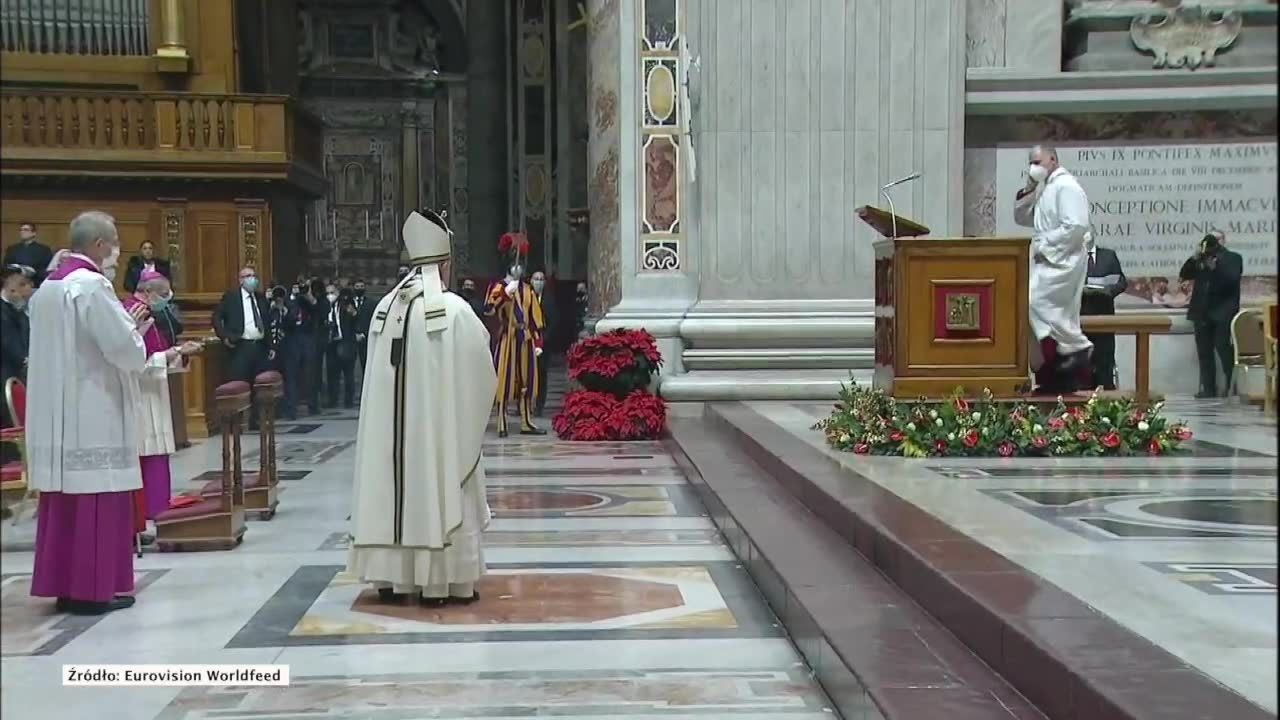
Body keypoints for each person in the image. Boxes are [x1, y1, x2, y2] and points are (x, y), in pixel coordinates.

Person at [347, 210, 497, 606]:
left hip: (391, 437)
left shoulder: (383, 309)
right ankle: (443, 583)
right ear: (445, 264)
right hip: (435, 437)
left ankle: (391, 579)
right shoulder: (455, 311)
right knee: (443, 478)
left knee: (390, 482)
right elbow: (482, 375)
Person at [26, 211, 158, 615]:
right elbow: (124, 350)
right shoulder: (91, 286)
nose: (118, 253)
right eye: (115, 242)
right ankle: (92, 590)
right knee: (96, 498)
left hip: (56, 413)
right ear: (99, 245)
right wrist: (135, 329)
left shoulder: (48, 288)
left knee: (66, 500)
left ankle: (66, 586)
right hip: (92, 408)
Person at [123, 270, 202, 525]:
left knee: (156, 452)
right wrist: (176, 351)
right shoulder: (130, 314)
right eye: (164, 295)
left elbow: (159, 354)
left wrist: (181, 353)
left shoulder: (148, 314)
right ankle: (148, 511)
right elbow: (135, 363)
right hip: (139, 395)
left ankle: (158, 507)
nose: (166, 300)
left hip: (154, 392)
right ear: (149, 292)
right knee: (146, 452)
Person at [1013, 145, 1092, 393]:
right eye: (1030, 163)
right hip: (1046, 260)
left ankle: (1076, 350)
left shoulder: (1067, 186)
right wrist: (1028, 188)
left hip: (1061, 260)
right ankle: (1051, 367)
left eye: (1038, 161)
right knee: (1030, 309)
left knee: (1034, 302)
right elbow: (1023, 218)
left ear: (1053, 159)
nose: (1033, 167)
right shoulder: (1046, 188)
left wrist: (1046, 245)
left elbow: (1077, 226)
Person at [485, 235, 546, 437]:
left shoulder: (528, 289)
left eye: (521, 264)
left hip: (525, 338)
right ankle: (501, 419)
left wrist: (537, 340)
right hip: (508, 338)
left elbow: (535, 317)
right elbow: (489, 309)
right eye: (515, 264)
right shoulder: (499, 286)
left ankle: (526, 420)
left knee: (527, 379)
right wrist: (504, 295)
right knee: (505, 379)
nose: (518, 268)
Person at [1180, 232, 1243, 398]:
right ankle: (1208, 389)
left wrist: (1216, 266)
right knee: (1204, 352)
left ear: (1223, 241)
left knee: (1223, 349)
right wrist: (1195, 256)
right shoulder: (1200, 258)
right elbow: (1185, 273)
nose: (1211, 244)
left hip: (1223, 311)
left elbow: (1231, 278)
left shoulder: (1234, 258)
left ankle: (1231, 386)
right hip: (1201, 312)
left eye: (1216, 239)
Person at [213, 267, 275, 429]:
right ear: (240, 280)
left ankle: (256, 420)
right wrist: (225, 336)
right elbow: (217, 317)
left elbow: (266, 322)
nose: (251, 279)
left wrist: (271, 345)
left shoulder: (261, 298)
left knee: (258, 386)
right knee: (239, 383)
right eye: (247, 276)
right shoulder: (231, 297)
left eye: (253, 276)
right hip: (240, 346)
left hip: (259, 346)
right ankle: (236, 422)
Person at [1080, 235, 1128, 391]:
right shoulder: (1071, 258)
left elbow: (1122, 282)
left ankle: (1107, 392)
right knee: (1083, 360)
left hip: (1104, 314)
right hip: (1080, 316)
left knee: (1105, 358)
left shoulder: (1109, 255)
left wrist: (1109, 291)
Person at [325, 287, 358, 409]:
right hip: (331, 344)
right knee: (332, 375)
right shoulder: (325, 306)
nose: (330, 295)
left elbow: (355, 318)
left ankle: (349, 401)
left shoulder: (345, 304)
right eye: (328, 293)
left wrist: (353, 313)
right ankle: (332, 400)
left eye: (332, 293)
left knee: (348, 373)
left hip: (345, 342)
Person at [530, 270, 555, 416]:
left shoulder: (549, 300)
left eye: (541, 279)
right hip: (528, 340)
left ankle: (539, 405)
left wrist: (544, 339)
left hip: (543, 342)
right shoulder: (526, 297)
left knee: (541, 374)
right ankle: (525, 405)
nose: (538, 282)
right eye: (536, 279)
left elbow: (554, 320)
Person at [4, 221, 54, 286]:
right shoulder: (12, 248)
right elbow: (6, 265)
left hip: (35, 282)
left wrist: (32, 271)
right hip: (15, 282)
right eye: (21, 230)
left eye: (26, 230)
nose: (22, 232)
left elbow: (48, 268)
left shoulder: (44, 249)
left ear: (34, 233)